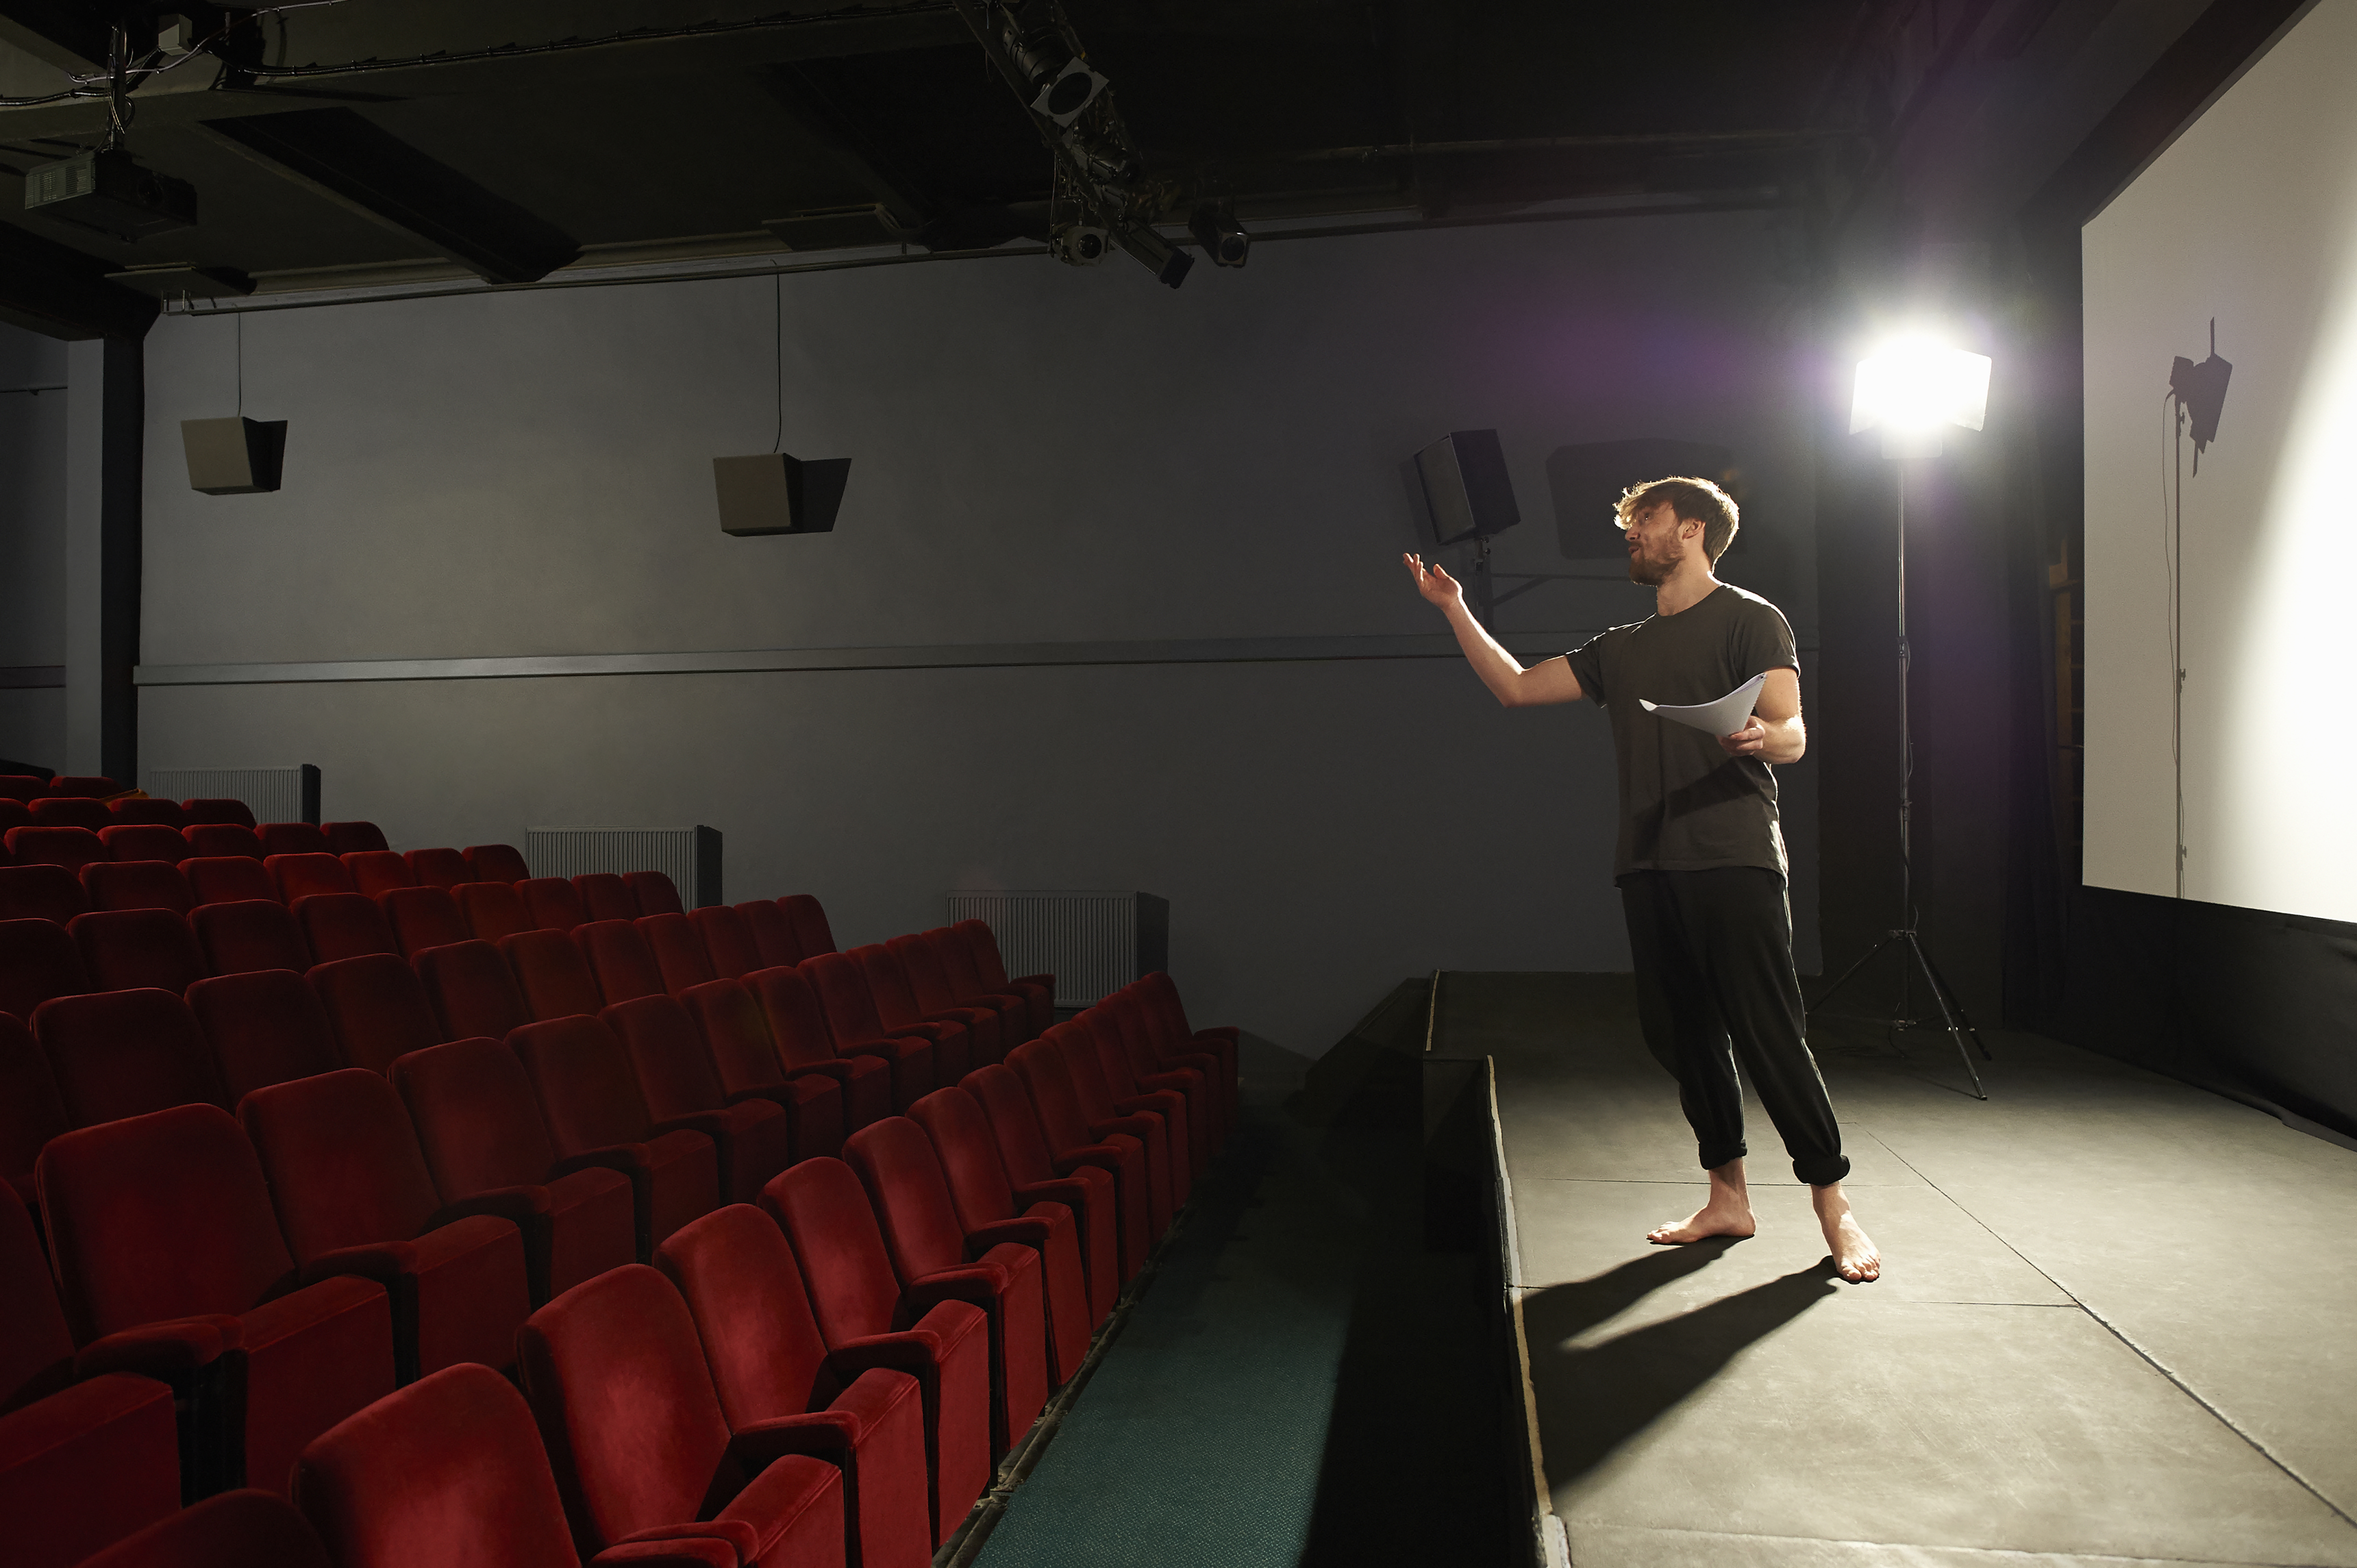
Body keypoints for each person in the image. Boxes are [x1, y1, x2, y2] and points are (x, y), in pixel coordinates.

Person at [1403, 476, 1879, 1283]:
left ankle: (1833, 1203)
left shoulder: (1751, 618)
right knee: (1679, 1033)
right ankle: (1727, 1196)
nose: (1631, 533)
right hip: (1649, 862)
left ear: (1691, 530)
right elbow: (1516, 688)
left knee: (1767, 1031)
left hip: (1734, 856)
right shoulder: (1619, 648)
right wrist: (1454, 608)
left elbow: (1793, 729)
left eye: (1644, 520)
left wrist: (1765, 735)